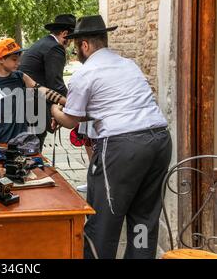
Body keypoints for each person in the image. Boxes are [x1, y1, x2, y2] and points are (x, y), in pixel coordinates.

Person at [51, 15, 172, 259]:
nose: (77, 54)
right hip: (159, 140)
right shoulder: (129, 64)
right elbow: (107, 107)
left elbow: (71, 120)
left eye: (77, 48)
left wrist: (54, 110)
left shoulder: (85, 73)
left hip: (123, 147)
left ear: (85, 45)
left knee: (103, 218)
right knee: (144, 218)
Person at [0, 38, 66, 144]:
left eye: (18, 59)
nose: (18, 63)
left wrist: (65, 102)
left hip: (23, 139)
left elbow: (42, 90)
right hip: (1, 138)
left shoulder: (20, 76)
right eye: (14, 59)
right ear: (1, 59)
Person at [19, 14, 76, 147]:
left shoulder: (44, 43)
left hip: (25, 103)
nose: (71, 43)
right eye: (72, 39)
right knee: (34, 149)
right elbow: (56, 84)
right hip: (34, 107)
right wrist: (73, 104)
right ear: (65, 34)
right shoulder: (55, 48)